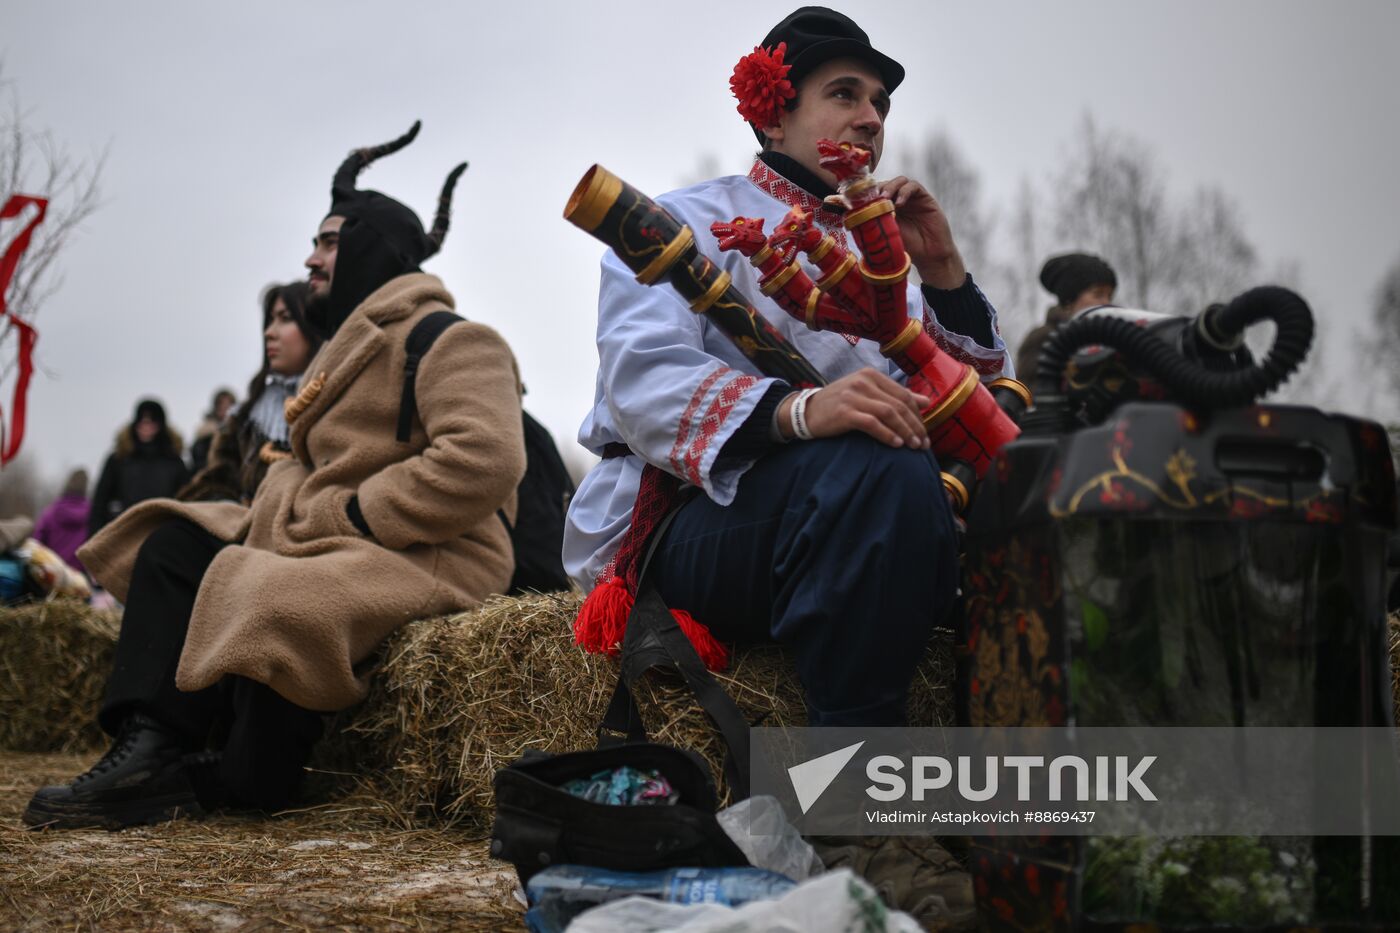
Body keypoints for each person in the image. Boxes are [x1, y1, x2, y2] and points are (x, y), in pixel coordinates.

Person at [25, 122, 526, 830]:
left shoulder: (453, 339)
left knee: (270, 592)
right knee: (172, 544)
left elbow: (484, 458)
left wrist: (355, 513)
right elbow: (305, 461)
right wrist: (294, 504)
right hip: (325, 532)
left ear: (371, 249)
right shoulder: (346, 346)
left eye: (328, 242)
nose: (311, 258)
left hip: (428, 552)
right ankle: (149, 750)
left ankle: (244, 776)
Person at [566, 5, 1012, 728]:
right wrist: (801, 411)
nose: (871, 119)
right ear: (773, 115)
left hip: (860, 503)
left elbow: (978, 416)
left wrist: (944, 273)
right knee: (882, 472)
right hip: (678, 519)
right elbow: (643, 384)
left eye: (880, 103)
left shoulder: (884, 260)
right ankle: (855, 783)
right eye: (845, 94)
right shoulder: (682, 222)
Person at [179, 282, 322, 504]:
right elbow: (215, 483)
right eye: (270, 320)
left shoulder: (337, 404)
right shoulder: (245, 418)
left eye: (285, 318)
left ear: (313, 325)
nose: (269, 333)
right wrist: (228, 508)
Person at [88, 399, 190, 538]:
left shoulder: (174, 462)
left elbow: (185, 502)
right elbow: (100, 501)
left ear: (160, 425)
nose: (146, 427)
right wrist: (95, 536)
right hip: (121, 532)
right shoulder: (119, 459)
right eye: (142, 422)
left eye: (151, 423)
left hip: (161, 534)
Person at [1015, 251, 1117, 378]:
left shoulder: (1113, 337)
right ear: (1069, 300)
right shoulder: (1044, 339)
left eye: (1109, 296)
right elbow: (1030, 388)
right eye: (1098, 294)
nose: (1107, 303)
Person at [33, 468, 91, 572]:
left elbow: (36, 544)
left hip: (51, 573)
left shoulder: (51, 513)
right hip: (79, 578)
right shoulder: (91, 516)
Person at [188, 388, 237, 474]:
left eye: (228, 407)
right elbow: (198, 461)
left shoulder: (239, 433)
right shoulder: (205, 434)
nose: (225, 411)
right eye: (222, 407)